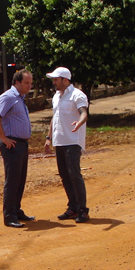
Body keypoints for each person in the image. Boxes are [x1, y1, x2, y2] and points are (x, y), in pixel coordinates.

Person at [44, 67, 90, 223]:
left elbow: (84, 112)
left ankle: (83, 210)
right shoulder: (56, 96)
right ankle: (73, 207)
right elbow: (54, 117)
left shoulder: (77, 95)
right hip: (60, 141)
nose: (54, 82)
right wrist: (49, 137)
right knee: (64, 176)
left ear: (65, 80)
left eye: (56, 79)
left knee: (74, 175)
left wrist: (79, 122)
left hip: (72, 141)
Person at [0, 69, 34, 228]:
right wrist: (3, 137)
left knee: (20, 179)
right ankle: (9, 216)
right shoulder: (8, 97)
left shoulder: (20, 98)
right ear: (17, 82)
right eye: (26, 83)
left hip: (21, 143)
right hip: (12, 144)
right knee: (13, 180)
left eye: (30, 83)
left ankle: (16, 210)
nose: (29, 86)